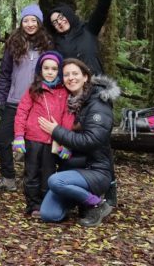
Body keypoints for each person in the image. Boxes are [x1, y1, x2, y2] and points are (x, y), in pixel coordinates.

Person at [38, 58, 120, 227]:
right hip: (71, 170)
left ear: (85, 77)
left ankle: (97, 203)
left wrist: (56, 131)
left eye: (75, 73)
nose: (71, 78)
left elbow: (92, 140)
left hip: (95, 170)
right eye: (66, 74)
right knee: (49, 214)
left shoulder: (98, 104)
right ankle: (80, 199)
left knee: (55, 181)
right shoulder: (67, 102)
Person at [0, 4, 53, 192]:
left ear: (39, 22)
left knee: (34, 142)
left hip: (37, 102)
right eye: (26, 20)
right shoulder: (13, 43)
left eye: (33, 20)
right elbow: (6, 74)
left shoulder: (47, 44)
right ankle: (8, 177)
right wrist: (2, 98)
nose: (30, 24)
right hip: (14, 101)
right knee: (2, 138)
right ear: (21, 23)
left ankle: (31, 178)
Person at [13, 51, 74, 217]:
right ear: (40, 70)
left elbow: (68, 117)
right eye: (46, 68)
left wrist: (66, 142)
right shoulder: (34, 89)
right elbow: (22, 112)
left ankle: (46, 203)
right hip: (33, 139)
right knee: (31, 173)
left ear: (59, 71)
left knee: (48, 174)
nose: (49, 72)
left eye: (54, 69)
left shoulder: (64, 93)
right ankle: (33, 205)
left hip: (52, 142)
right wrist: (19, 136)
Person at [46, 0, 117, 75]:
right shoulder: (55, 43)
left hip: (96, 85)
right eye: (55, 22)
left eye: (61, 17)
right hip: (73, 88)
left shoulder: (88, 30)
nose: (59, 22)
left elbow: (101, 11)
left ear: (68, 15)